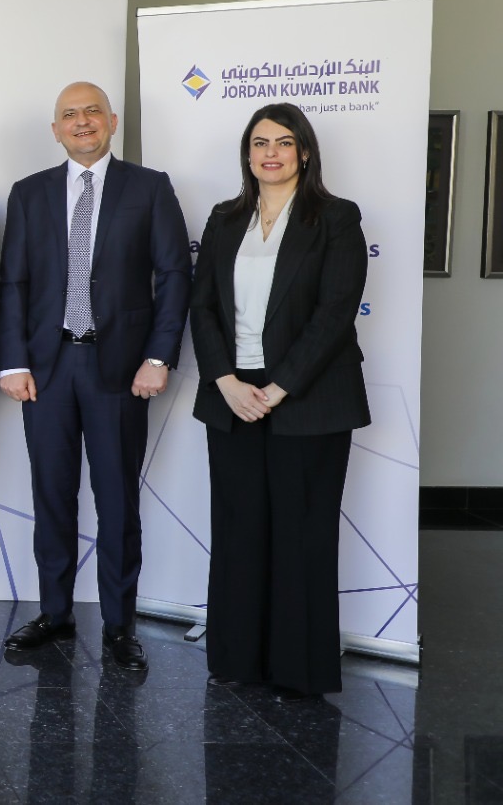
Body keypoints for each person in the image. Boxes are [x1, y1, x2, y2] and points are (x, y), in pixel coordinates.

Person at [0, 81, 190, 669]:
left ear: (112, 121)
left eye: (92, 112)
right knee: (51, 496)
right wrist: (13, 361)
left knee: (117, 500)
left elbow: (174, 275)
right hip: (48, 368)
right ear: (55, 129)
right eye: (69, 115)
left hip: (121, 371)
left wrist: (158, 357)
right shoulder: (29, 193)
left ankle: (118, 625)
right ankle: (54, 613)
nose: (82, 122)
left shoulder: (149, 187)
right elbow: (14, 282)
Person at [189, 102, 369, 700]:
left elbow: (335, 312)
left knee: (301, 532)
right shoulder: (225, 218)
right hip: (232, 394)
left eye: (284, 142)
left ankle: (298, 668)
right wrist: (224, 380)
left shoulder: (336, 218)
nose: (271, 153)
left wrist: (279, 387)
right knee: (239, 529)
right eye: (260, 143)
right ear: (247, 155)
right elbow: (202, 306)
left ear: (305, 152)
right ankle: (237, 658)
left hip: (309, 396)